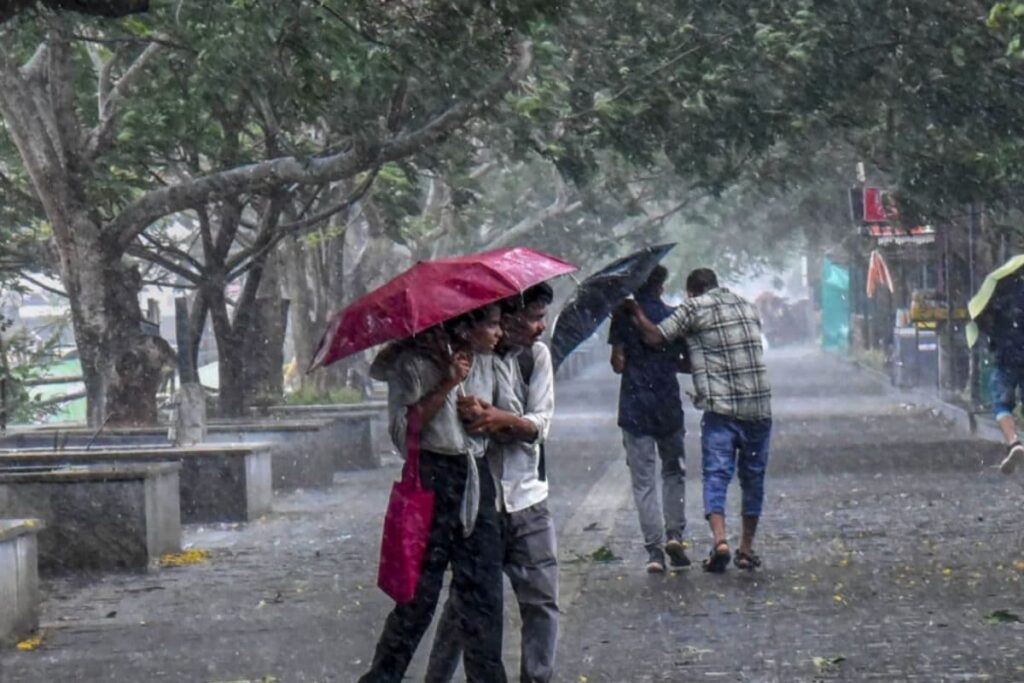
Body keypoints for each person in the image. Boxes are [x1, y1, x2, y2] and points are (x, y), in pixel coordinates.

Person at [358, 304, 510, 683]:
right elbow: (404, 432)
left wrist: (480, 414)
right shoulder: (409, 365)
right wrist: (445, 384)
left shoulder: (486, 362)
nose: (498, 333)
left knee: (483, 595)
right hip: (432, 478)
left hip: (475, 479)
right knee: (417, 599)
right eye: (490, 325)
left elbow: (499, 423)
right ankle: (382, 676)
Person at [426, 283, 560, 683]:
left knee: (540, 599)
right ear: (507, 316)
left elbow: (541, 424)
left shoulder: (536, 358)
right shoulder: (470, 360)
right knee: (464, 605)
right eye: (532, 317)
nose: (539, 327)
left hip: (526, 498)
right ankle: (438, 676)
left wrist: (503, 420)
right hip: (477, 501)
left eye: (541, 317)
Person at [621, 267, 772, 573]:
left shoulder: (693, 308)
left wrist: (634, 311)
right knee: (752, 479)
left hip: (719, 410)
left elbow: (654, 336)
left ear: (691, 292)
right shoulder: (746, 305)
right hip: (759, 408)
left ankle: (718, 541)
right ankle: (745, 548)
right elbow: (709, 355)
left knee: (716, 475)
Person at [608, 266, 691, 573]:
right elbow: (685, 362)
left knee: (643, 482)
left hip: (634, 406)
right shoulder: (674, 316)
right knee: (673, 472)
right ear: (660, 286)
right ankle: (675, 535)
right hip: (667, 403)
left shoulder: (621, 318)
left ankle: (654, 552)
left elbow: (617, 364)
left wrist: (628, 348)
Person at [978, 269, 1024, 474]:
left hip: (1006, 356)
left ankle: (1014, 442)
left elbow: (983, 320)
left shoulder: (997, 291)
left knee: (1001, 404)